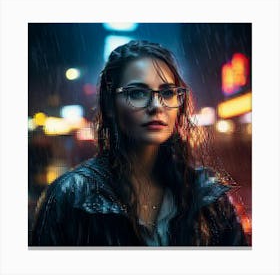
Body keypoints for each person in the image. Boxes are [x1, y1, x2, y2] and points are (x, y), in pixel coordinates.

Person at [31, 40, 248, 246]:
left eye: (167, 92)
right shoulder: (70, 196)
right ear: (109, 105)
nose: (156, 105)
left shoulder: (209, 198)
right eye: (137, 93)